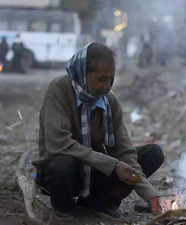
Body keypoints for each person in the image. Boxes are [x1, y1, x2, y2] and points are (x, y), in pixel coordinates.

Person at [32, 42, 165, 220]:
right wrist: (113, 165)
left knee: (152, 153)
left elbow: (124, 150)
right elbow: (59, 144)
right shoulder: (59, 90)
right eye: (101, 79)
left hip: (94, 169)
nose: (107, 86)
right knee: (62, 163)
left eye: (111, 79)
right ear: (83, 74)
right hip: (61, 172)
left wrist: (151, 195)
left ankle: (97, 202)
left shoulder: (109, 101)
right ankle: (64, 207)